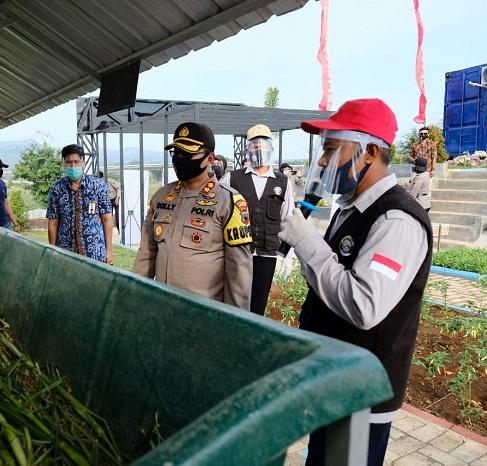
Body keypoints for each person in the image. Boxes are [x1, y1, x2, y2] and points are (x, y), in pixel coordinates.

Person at [278, 98, 433, 466]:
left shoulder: (396, 221)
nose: (321, 162)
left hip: (361, 395)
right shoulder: (352, 206)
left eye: (332, 150)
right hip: (335, 380)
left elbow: (363, 306)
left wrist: (306, 242)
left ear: (370, 152)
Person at [132, 122, 253, 308]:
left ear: (210, 158)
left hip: (203, 314)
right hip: (161, 307)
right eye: (176, 153)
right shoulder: (162, 197)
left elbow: (238, 271)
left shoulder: (229, 201)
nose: (180, 159)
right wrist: (134, 300)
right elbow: (146, 255)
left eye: (187, 154)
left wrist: (236, 323)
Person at [221, 123, 294, 315]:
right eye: (254, 145)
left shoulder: (283, 182)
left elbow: (288, 218)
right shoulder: (232, 178)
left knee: (258, 307)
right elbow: (218, 212)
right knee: (234, 305)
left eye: (263, 145)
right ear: (248, 149)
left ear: (270, 148)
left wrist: (284, 255)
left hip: (267, 254)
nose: (259, 149)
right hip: (238, 253)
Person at [47, 145, 114, 264]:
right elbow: (53, 222)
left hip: (94, 252)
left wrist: (108, 252)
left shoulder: (98, 186)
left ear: (84, 163)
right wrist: (52, 251)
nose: (72, 166)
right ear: (64, 165)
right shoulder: (57, 188)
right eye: (68, 162)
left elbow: (107, 219)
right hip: (66, 252)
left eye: (76, 162)